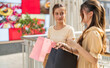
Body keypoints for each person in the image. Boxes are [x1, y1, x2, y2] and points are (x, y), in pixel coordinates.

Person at [57, 0, 106, 68]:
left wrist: (76, 46)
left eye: (82, 12)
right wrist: (67, 47)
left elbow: (94, 60)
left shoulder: (94, 33)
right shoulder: (89, 32)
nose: (80, 15)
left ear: (90, 14)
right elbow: (84, 53)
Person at [43, 4, 76, 68]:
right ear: (53, 15)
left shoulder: (69, 29)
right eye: (57, 14)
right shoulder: (50, 29)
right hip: (51, 62)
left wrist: (63, 47)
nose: (59, 16)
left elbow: (73, 50)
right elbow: (47, 47)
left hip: (64, 62)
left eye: (62, 13)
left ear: (65, 14)